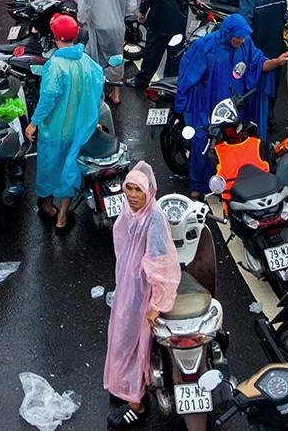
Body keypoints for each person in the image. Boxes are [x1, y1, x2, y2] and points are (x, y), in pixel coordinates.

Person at [102, 162, 183, 428]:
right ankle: (124, 386)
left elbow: (163, 265)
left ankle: (136, 403)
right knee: (121, 336)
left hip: (144, 292)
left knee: (135, 342)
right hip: (129, 288)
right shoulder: (130, 211)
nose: (133, 195)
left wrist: (156, 305)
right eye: (129, 189)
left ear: (150, 192)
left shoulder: (156, 218)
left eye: (139, 190)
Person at [175, 15, 288, 195]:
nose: (242, 40)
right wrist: (183, 103)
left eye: (244, 36)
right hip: (207, 104)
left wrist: (277, 62)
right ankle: (197, 188)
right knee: (203, 142)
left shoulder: (245, 44)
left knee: (236, 142)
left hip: (235, 105)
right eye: (239, 36)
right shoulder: (204, 47)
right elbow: (188, 76)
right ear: (228, 33)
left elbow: (258, 64)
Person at [25, 14, 104, 230]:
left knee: (50, 170)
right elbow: (97, 92)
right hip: (81, 129)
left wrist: (34, 123)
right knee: (70, 168)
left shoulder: (55, 65)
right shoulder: (88, 62)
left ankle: (48, 207)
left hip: (56, 131)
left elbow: (47, 99)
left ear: (54, 36)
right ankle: (62, 217)